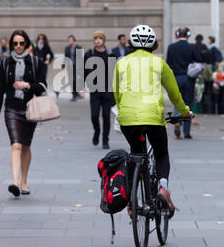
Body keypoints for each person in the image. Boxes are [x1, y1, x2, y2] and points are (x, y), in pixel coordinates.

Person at [113, 24, 192, 216]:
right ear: (154, 44)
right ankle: (162, 188)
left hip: (128, 118)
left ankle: (132, 201)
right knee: (161, 153)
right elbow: (174, 93)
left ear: (131, 43)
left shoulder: (122, 63)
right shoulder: (159, 63)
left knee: (135, 153)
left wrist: (124, 109)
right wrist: (185, 112)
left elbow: (117, 94)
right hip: (153, 118)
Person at [0, 30, 47, 197]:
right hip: (12, 109)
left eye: (21, 43)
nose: (18, 46)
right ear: (11, 45)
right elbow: (0, 89)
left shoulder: (36, 62)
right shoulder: (6, 63)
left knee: (26, 146)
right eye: (15, 43)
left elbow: (43, 86)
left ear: (27, 44)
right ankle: (15, 182)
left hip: (30, 109)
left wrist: (26, 85)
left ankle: (24, 181)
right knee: (16, 145)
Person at [84, 31, 116, 149]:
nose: (98, 40)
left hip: (108, 90)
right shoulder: (90, 54)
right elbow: (83, 71)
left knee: (106, 116)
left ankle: (105, 140)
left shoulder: (111, 53)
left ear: (104, 40)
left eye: (100, 38)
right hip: (95, 90)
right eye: (96, 38)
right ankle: (97, 131)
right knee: (94, 115)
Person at [166, 27, 198, 139]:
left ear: (177, 35)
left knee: (176, 101)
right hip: (188, 78)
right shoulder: (192, 47)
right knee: (188, 103)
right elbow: (196, 61)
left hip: (176, 78)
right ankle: (187, 132)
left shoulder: (171, 47)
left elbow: (168, 64)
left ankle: (176, 121)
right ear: (188, 35)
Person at [62, 35, 83, 102]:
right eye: (69, 40)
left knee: (76, 81)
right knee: (71, 81)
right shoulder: (67, 48)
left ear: (74, 40)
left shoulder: (79, 47)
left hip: (77, 67)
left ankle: (76, 94)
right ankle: (74, 95)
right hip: (70, 67)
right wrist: (63, 66)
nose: (69, 41)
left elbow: (81, 58)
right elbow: (65, 58)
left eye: (71, 40)